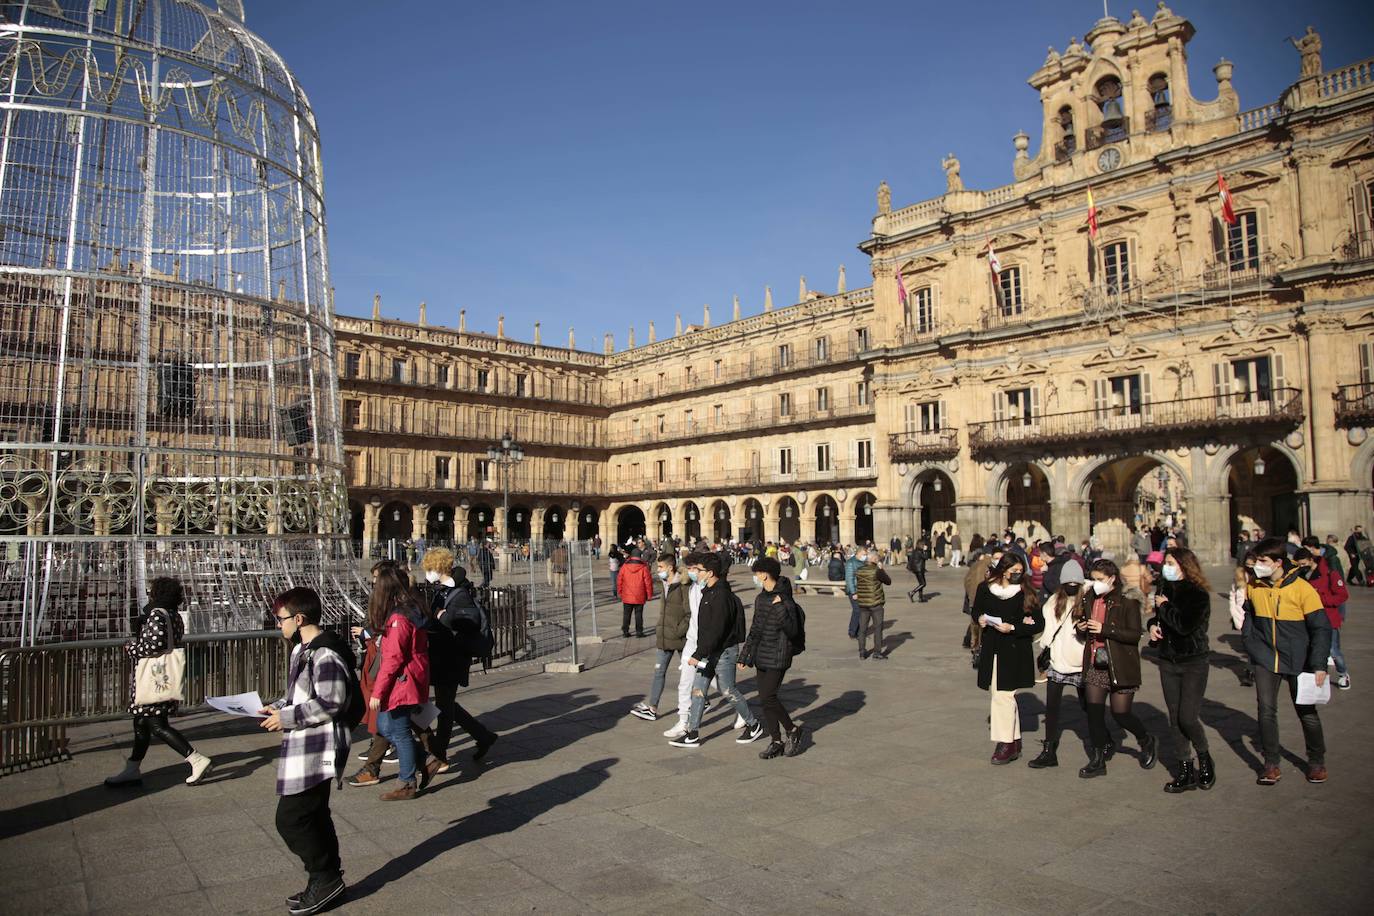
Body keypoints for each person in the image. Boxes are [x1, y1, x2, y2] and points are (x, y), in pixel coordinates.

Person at [259, 587, 351, 916]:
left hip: (319, 746)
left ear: (298, 619)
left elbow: (331, 702)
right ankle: (325, 879)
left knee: (292, 819)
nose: (278, 624)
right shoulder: (302, 650)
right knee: (314, 814)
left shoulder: (325, 655)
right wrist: (278, 706)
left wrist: (286, 718)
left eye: (280, 618)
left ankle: (325, 878)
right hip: (304, 745)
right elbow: (301, 694)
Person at [104, 577, 213, 788]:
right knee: (141, 723)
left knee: (157, 724)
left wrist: (131, 648)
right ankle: (132, 768)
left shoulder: (157, 614)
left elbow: (154, 645)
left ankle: (196, 759)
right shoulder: (174, 615)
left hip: (154, 678)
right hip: (163, 676)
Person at [1244, 538, 1332, 784]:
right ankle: (1271, 764)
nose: (1257, 565)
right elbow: (1249, 616)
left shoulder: (1303, 589)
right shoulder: (1254, 586)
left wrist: (1319, 664)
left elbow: (1321, 628)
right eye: (1257, 560)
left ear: (1278, 563)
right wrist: (1250, 642)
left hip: (1298, 657)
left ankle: (1316, 761)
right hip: (1265, 656)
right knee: (1266, 710)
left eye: (1263, 561)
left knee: (1306, 711)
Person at [1074, 558, 1157, 779]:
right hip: (1096, 662)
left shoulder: (1127, 600)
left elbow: (1134, 634)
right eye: (1093, 579)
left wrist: (1105, 629)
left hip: (1119, 663)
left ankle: (1146, 739)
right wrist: (1081, 628)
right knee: (1094, 713)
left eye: (1100, 579)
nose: (1096, 583)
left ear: (1112, 579)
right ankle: (1097, 759)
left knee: (1121, 713)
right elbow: (1085, 627)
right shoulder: (1090, 597)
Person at [670, 553, 764, 748]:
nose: (695, 573)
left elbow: (716, 630)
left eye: (699, 570)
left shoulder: (721, 596)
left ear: (710, 573)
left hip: (723, 652)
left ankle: (753, 724)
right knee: (698, 690)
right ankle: (692, 733)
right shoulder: (709, 592)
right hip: (708, 651)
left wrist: (698, 654)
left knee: (728, 690)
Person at [418, 549, 499, 774]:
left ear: (439, 568)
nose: (427, 573)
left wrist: (442, 617)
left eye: (430, 568)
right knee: (446, 704)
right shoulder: (442, 590)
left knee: (444, 707)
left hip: (452, 658)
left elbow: (467, 623)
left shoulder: (459, 594)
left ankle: (440, 755)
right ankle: (483, 736)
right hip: (441, 656)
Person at [1147, 547, 1215, 793]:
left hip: (1193, 660)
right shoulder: (1163, 589)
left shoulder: (1198, 594)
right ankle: (1184, 768)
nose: (1166, 567)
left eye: (1171, 563)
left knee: (1187, 717)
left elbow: (1185, 626)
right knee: (1174, 718)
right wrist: (1152, 626)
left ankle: (1204, 757)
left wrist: (1165, 607)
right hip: (1168, 659)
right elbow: (1160, 620)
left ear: (1185, 566)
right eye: (1165, 563)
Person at [368, 566, 432, 800]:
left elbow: (393, 658)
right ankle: (425, 759)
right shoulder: (408, 610)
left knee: (400, 732)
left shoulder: (399, 619)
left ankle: (407, 782)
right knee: (386, 726)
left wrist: (378, 692)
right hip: (408, 679)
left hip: (402, 682)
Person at [974, 554, 1044, 764]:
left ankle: (1005, 743)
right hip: (992, 649)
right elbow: (976, 610)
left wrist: (1013, 627)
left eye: (1020, 571)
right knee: (999, 693)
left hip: (1014, 650)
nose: (1017, 574)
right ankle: (1014, 740)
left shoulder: (1026, 592)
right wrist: (980, 619)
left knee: (1003, 695)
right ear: (1003, 570)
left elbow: (1038, 623)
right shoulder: (986, 588)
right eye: (1013, 571)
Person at [739, 557, 806, 759]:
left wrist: (779, 607)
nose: (755, 577)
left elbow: (793, 630)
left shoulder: (785, 599)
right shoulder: (761, 598)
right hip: (762, 654)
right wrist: (745, 655)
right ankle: (776, 741)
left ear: (765, 575)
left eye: (757, 573)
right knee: (765, 699)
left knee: (768, 696)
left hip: (779, 654)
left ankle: (792, 729)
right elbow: (755, 629)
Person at [1027, 560, 1086, 769]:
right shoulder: (1053, 601)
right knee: (1052, 708)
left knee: (1089, 706)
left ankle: (1102, 741)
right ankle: (1049, 751)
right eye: (1068, 582)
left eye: (1075, 582)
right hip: (1058, 661)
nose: (1072, 585)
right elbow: (1047, 631)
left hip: (1081, 662)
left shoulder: (1087, 599)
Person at [630, 553, 691, 721]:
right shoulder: (665, 584)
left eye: (661, 567)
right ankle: (652, 708)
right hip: (664, 637)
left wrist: (678, 631)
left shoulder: (683, 586)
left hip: (679, 637)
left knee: (692, 672)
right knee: (659, 672)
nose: (658, 570)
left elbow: (689, 613)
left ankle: (706, 699)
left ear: (670, 568)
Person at [1295, 547, 1350, 690]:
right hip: (1308, 619)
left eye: (1303, 563)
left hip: (1328, 618)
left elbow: (1342, 595)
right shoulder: (1300, 575)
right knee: (1311, 648)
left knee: (1333, 650)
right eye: (1299, 565)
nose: (1302, 567)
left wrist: (1321, 599)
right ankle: (1313, 675)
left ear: (1311, 560)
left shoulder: (1330, 573)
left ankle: (1343, 674)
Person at [854, 548, 892, 659]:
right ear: (874, 559)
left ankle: (862, 652)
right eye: (877, 558)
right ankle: (877, 653)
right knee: (877, 628)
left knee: (862, 628)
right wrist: (882, 569)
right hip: (876, 603)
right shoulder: (877, 570)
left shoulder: (859, 570)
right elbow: (888, 581)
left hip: (863, 603)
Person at [617, 547, 654, 638]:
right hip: (640, 595)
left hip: (627, 594)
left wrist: (620, 592)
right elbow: (648, 582)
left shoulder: (624, 566)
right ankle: (639, 632)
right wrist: (649, 595)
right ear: (640, 556)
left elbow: (619, 580)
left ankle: (625, 631)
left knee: (626, 614)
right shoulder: (644, 567)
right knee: (638, 614)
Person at [844, 547, 864, 640]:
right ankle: (852, 632)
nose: (865, 556)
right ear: (859, 553)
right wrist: (853, 592)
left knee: (861, 611)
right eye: (864, 554)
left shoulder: (862, 562)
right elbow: (849, 578)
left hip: (861, 589)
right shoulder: (851, 563)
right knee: (857, 610)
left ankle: (858, 631)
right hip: (854, 590)